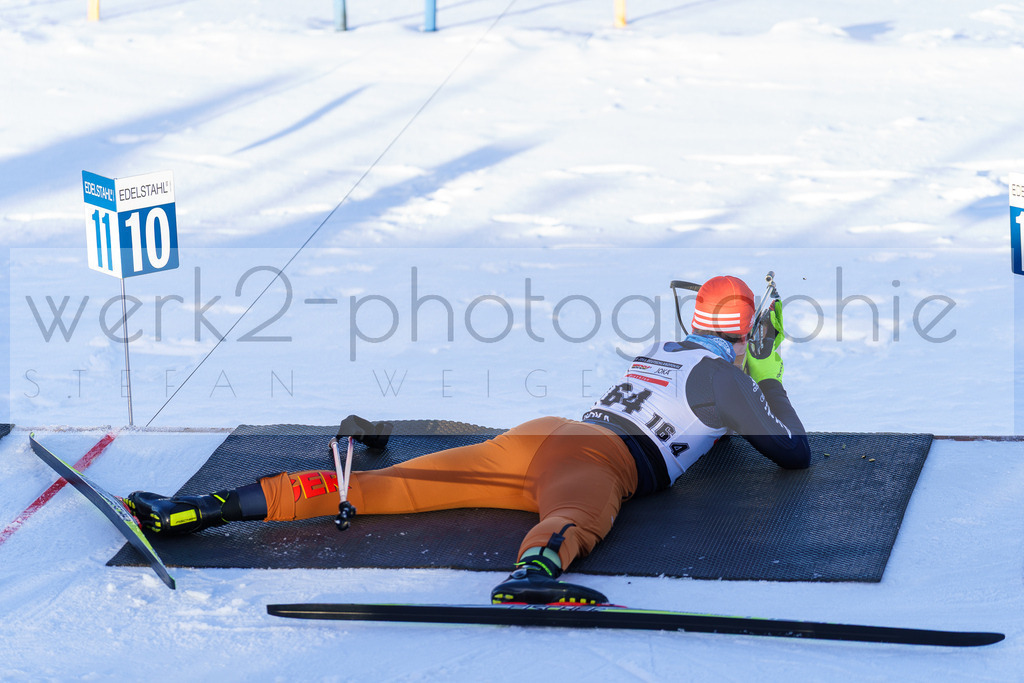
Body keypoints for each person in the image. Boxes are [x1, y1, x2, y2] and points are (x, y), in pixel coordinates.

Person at [126, 275, 810, 605]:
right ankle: (531, 574)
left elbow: (706, 426)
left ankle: (196, 508)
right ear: (744, 331)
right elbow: (790, 453)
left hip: (542, 434)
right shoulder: (728, 377)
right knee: (575, 518)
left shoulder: (664, 346)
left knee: (372, 490)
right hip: (600, 459)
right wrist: (770, 373)